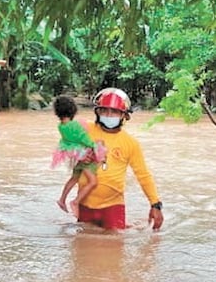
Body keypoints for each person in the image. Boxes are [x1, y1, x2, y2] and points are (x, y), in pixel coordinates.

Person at [76, 87, 164, 231]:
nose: (108, 115)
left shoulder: (130, 143)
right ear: (97, 112)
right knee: (83, 243)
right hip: (84, 204)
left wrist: (155, 205)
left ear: (124, 116)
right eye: (104, 110)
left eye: (114, 111)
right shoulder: (85, 129)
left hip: (113, 206)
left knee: (115, 246)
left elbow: (143, 175)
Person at [51, 95, 107, 216]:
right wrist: (95, 146)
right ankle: (76, 202)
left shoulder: (61, 126)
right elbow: (84, 138)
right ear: (73, 110)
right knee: (93, 182)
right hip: (85, 157)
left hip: (77, 157)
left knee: (73, 179)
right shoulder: (74, 125)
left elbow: (67, 141)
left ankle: (62, 199)